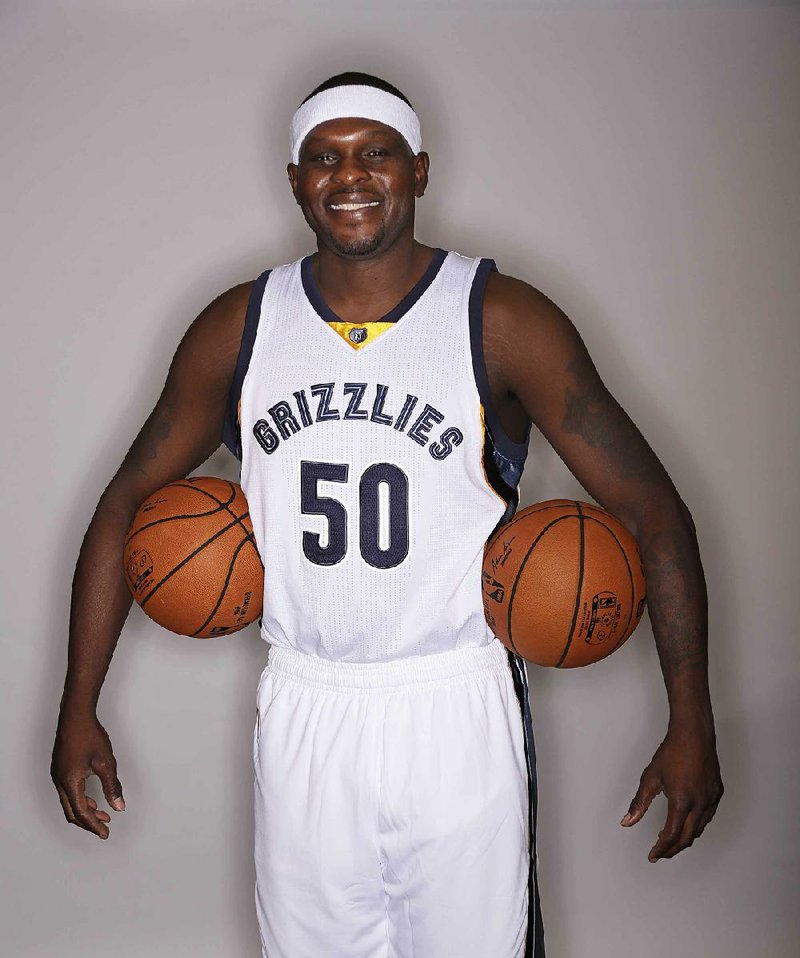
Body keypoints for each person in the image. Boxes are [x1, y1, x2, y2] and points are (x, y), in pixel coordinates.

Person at [51, 72, 723, 957]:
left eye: (378, 153)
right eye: (325, 158)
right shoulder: (239, 328)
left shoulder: (501, 319)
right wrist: (77, 705)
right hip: (305, 703)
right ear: (295, 179)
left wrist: (691, 718)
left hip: (454, 703)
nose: (352, 176)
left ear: (421, 169)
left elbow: (651, 507)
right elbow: (124, 499)